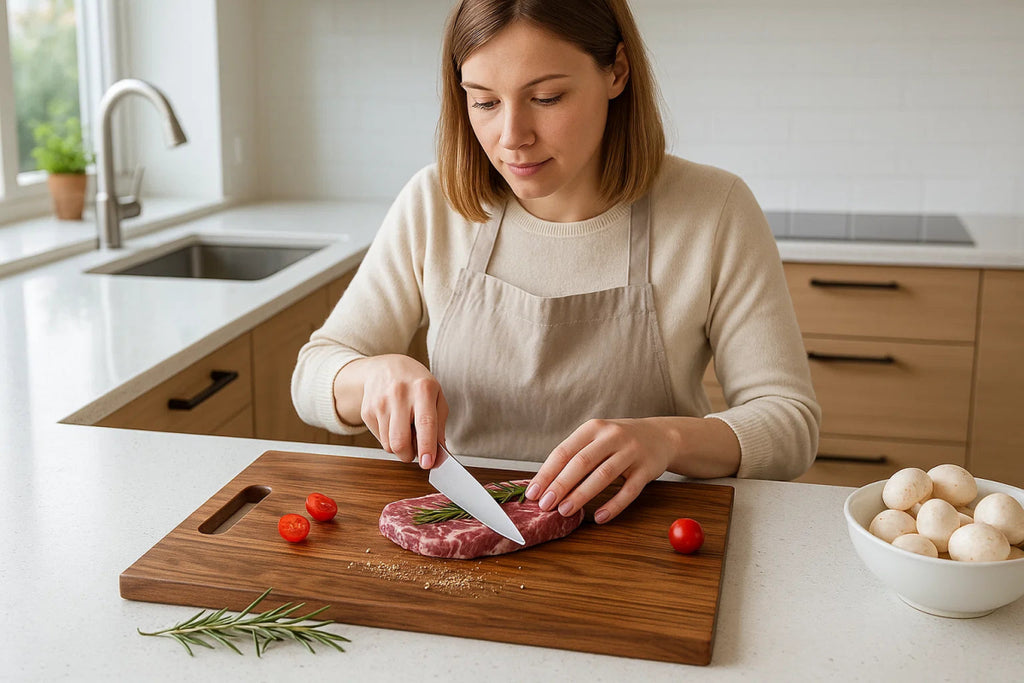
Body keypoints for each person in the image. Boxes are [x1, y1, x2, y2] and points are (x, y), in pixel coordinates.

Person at [292, 0, 820, 524]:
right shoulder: (434, 202)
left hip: (639, 532)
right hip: (464, 529)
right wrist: (373, 376)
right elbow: (314, 374)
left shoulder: (713, 209)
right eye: (484, 102)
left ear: (616, 71)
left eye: (546, 97)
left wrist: (668, 438)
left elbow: (788, 423)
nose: (512, 137)